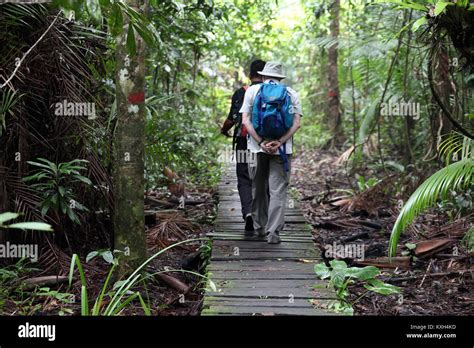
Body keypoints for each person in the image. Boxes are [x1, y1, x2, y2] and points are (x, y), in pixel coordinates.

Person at [240, 62, 302, 244]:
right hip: (282, 150)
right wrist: (279, 143)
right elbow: (296, 123)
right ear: (280, 77)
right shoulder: (291, 93)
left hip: (256, 148)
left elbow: (245, 120)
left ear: (264, 76)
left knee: (258, 188)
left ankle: (259, 229)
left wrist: (261, 142)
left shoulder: (252, 91)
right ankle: (273, 234)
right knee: (277, 191)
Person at [221, 59, 267, 235]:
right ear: (265, 75)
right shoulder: (272, 93)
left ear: (250, 75)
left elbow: (232, 118)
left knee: (244, 176)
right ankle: (262, 218)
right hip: (264, 142)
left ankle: (248, 212)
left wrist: (224, 130)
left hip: (243, 141)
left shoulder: (242, 92)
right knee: (262, 178)